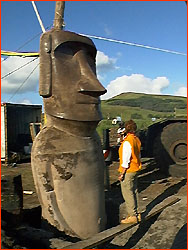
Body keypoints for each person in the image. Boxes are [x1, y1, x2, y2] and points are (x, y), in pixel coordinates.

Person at [118, 120, 142, 224]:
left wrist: (122, 173)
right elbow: (138, 155)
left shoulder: (127, 142)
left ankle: (132, 216)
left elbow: (126, 159)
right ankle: (136, 213)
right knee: (134, 191)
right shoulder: (136, 139)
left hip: (128, 170)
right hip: (136, 168)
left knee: (127, 193)